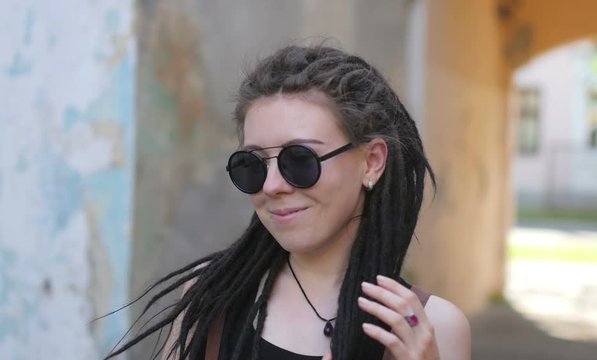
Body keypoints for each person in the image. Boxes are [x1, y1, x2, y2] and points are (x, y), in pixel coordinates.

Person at [107, 45, 470, 360]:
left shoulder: (428, 328)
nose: (273, 185)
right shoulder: (211, 299)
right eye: (252, 164)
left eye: (299, 160)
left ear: (371, 161)